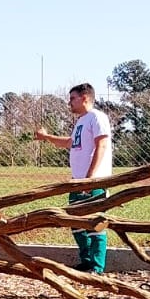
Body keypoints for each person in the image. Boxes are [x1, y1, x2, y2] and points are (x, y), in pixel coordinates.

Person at [34, 83, 112, 274]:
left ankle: (97, 266)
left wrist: (90, 178)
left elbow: (100, 146)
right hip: (77, 181)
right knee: (76, 225)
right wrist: (46, 137)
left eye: (72, 98)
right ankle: (85, 261)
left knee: (95, 224)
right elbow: (70, 143)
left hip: (94, 182)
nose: (69, 102)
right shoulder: (81, 121)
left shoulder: (97, 117)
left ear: (85, 98)